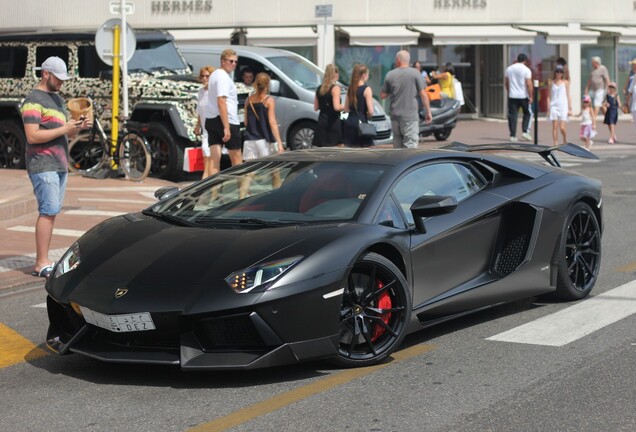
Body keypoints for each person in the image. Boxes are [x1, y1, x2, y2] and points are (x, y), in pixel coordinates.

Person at [21, 56, 90, 278]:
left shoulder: (58, 100)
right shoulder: (33, 100)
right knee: (48, 211)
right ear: (46, 74)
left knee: (51, 212)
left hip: (58, 164)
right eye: (58, 78)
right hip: (42, 164)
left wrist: (77, 127)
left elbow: (66, 133)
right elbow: (32, 136)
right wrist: (64, 129)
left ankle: (44, 260)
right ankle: (41, 263)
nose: (62, 82)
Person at [380, 50, 432, 149]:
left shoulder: (390, 74)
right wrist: (428, 112)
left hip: (395, 117)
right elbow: (423, 94)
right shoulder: (415, 73)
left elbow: (383, 95)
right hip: (410, 117)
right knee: (410, 148)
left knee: (397, 149)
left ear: (398, 60)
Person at [206, 48, 242, 175]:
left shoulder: (214, 75)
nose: (233, 64)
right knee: (237, 159)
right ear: (222, 61)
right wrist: (226, 127)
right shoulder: (223, 77)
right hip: (227, 120)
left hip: (211, 119)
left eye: (235, 62)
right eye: (231, 61)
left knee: (214, 161)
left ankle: (214, 193)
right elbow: (221, 100)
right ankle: (240, 193)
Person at [243, 72, 283, 159]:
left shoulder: (248, 100)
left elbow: (246, 122)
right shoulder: (269, 100)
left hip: (249, 140)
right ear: (268, 84)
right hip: (264, 140)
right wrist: (279, 143)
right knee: (268, 170)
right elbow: (272, 122)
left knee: (251, 170)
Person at [344, 64, 375, 147]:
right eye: (368, 74)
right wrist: (369, 113)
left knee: (351, 150)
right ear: (364, 75)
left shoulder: (350, 88)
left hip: (350, 122)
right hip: (362, 124)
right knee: (364, 151)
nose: (368, 76)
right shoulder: (367, 89)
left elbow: (346, 108)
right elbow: (371, 111)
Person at [313, 64, 344, 147]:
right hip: (333, 122)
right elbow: (337, 107)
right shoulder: (335, 88)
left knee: (323, 150)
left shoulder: (319, 88)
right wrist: (345, 106)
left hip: (322, 122)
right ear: (336, 74)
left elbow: (316, 107)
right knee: (338, 149)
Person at [505, 53, 533, 142]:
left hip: (512, 95)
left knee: (512, 115)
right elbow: (529, 84)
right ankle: (525, 131)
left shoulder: (509, 69)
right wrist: (531, 96)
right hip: (523, 95)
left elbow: (506, 82)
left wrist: (509, 91)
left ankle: (513, 135)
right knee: (527, 113)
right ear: (525, 60)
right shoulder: (526, 70)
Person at [194, 65, 216, 179]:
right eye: (202, 76)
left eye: (207, 76)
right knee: (207, 157)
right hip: (205, 130)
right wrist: (197, 125)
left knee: (209, 158)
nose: (204, 78)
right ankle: (208, 181)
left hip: (214, 129)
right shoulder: (201, 92)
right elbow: (199, 110)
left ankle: (205, 180)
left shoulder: (215, 92)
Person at [546, 65, 572, 146]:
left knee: (562, 127)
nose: (559, 73)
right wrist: (548, 108)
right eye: (557, 71)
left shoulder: (566, 83)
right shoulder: (551, 82)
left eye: (561, 72)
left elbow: (568, 95)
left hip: (563, 106)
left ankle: (564, 138)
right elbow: (549, 96)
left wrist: (570, 108)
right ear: (555, 72)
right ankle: (555, 143)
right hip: (554, 105)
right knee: (555, 126)